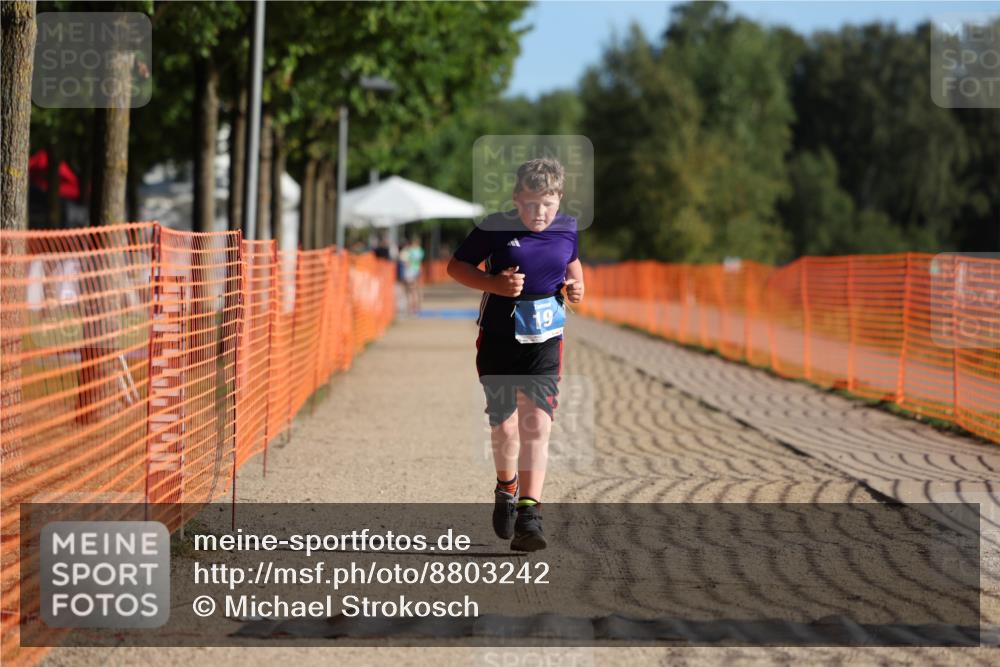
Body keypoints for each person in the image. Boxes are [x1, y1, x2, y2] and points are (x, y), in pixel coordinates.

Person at [446, 157, 584, 551]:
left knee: (537, 425)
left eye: (547, 204)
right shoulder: (494, 227)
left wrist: (577, 288)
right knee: (505, 427)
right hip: (499, 337)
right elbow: (456, 267)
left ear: (559, 200)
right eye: (529, 204)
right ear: (515, 199)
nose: (539, 213)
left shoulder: (568, 229)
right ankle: (506, 488)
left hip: (546, 340)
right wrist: (493, 282)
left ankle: (530, 514)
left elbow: (573, 266)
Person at [400, 236, 425, 315]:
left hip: (411, 271)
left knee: (410, 290)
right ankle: (416, 307)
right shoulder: (420, 251)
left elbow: (405, 260)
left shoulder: (410, 251)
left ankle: (411, 308)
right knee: (416, 289)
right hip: (417, 271)